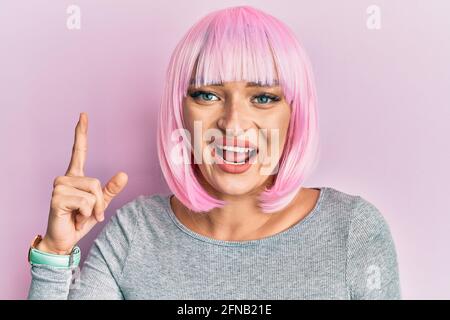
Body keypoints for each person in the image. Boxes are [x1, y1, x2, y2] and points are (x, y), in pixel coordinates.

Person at [27, 5, 400, 300]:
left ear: (295, 113)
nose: (233, 124)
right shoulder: (135, 233)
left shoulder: (352, 232)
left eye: (263, 98)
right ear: (180, 110)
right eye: (207, 95)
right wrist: (55, 255)